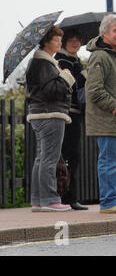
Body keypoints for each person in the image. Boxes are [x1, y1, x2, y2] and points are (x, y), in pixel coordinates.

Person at [85, 14, 116, 214]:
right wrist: (114, 106)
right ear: (104, 32)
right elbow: (94, 90)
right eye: (115, 30)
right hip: (107, 120)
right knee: (109, 161)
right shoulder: (100, 56)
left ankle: (114, 200)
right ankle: (108, 202)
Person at [26, 26, 75, 212]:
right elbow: (51, 91)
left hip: (40, 114)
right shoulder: (44, 63)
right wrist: (66, 78)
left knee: (41, 158)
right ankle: (49, 199)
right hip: (50, 114)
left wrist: (60, 75)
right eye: (56, 39)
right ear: (46, 41)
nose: (60, 43)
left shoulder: (39, 63)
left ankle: (38, 200)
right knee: (50, 158)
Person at [54, 29, 88, 210]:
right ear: (64, 42)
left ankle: (69, 196)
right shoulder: (62, 60)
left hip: (75, 112)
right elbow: (72, 85)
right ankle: (66, 197)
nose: (75, 43)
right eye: (71, 40)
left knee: (72, 156)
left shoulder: (75, 61)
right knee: (67, 156)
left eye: (78, 40)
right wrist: (83, 76)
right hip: (67, 113)